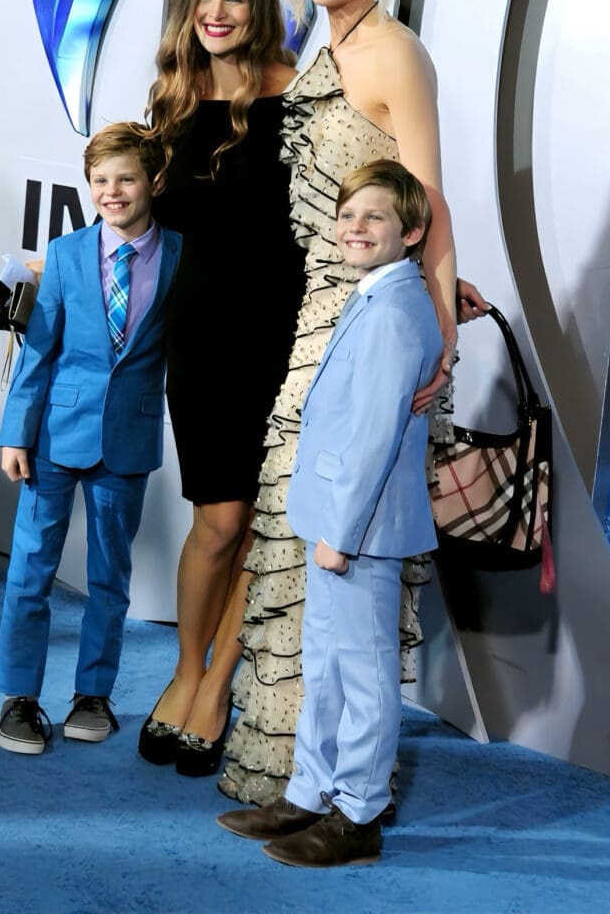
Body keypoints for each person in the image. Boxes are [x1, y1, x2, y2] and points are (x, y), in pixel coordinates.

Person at [220, 0, 488, 805]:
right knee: (299, 545)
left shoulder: (392, 53)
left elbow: (429, 198)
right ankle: (296, 781)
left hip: (371, 321)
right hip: (314, 319)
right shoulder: (320, 46)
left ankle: (342, 796)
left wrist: (440, 329)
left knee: (342, 550)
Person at [217, 161, 442, 867]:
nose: (355, 227)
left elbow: (374, 435)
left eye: (374, 217)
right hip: (337, 523)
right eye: (347, 215)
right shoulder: (377, 295)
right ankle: (309, 793)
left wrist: (339, 537)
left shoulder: (399, 309)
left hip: (360, 532)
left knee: (364, 677)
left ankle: (358, 814)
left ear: (410, 232)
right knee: (325, 668)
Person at [137, 0, 306, 776]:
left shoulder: (299, 92)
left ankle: (215, 690)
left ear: (259, 6)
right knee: (218, 521)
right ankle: (183, 672)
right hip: (199, 335)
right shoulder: (173, 93)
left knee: (262, 520)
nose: (216, 13)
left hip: (283, 334)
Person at [0, 122, 182, 754]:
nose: (112, 191)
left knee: (110, 578)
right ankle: (19, 699)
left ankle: (92, 695)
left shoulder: (182, 255)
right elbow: (38, 351)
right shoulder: (68, 253)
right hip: (52, 434)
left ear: (154, 181)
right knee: (31, 570)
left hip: (127, 439)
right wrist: (15, 433)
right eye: (100, 180)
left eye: (126, 178)